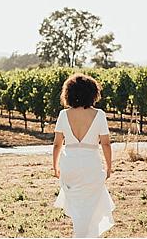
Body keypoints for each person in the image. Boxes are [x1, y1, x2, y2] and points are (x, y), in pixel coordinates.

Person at [52, 73, 116, 238]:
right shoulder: (99, 115)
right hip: (91, 166)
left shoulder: (63, 115)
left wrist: (55, 166)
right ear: (92, 93)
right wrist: (109, 167)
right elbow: (106, 144)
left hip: (70, 165)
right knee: (91, 208)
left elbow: (57, 144)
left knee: (78, 209)